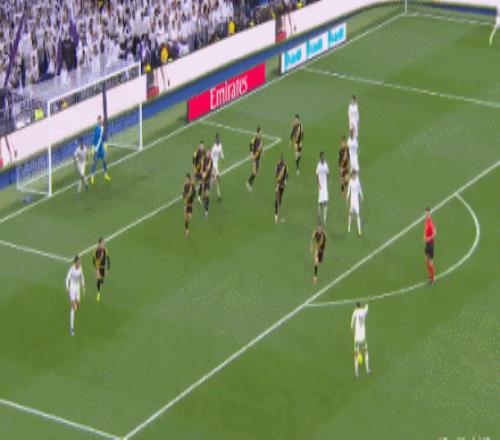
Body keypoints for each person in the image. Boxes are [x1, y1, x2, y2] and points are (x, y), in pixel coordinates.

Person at [65, 255, 85, 336]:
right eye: (78, 261)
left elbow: (82, 277)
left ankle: (73, 311)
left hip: (78, 288)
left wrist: (83, 287)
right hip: (72, 289)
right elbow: (67, 278)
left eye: (80, 261)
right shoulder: (71, 269)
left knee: (78, 306)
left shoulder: (80, 268)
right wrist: (67, 287)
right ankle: (72, 328)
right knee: (73, 308)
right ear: (75, 262)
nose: (79, 262)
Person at [351, 302, 371, 378]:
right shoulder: (363, 311)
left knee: (356, 354)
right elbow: (367, 307)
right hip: (363, 337)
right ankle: (367, 369)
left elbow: (351, 326)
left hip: (357, 338)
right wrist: (366, 304)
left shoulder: (355, 312)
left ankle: (356, 373)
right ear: (360, 306)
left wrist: (354, 333)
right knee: (366, 352)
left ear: (356, 306)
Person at [90, 115, 111, 184]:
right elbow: (93, 139)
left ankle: (105, 174)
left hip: (101, 148)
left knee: (104, 160)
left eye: (102, 120)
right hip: (96, 149)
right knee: (95, 163)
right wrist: (92, 149)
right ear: (98, 121)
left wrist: (105, 146)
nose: (102, 121)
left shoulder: (103, 128)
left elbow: (103, 138)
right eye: (101, 120)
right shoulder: (96, 129)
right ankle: (92, 176)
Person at [93, 238, 111, 303]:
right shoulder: (96, 251)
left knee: (102, 279)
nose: (104, 245)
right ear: (99, 244)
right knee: (98, 279)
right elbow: (94, 261)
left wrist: (107, 269)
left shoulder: (105, 250)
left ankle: (101, 280)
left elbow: (108, 259)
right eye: (103, 243)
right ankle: (98, 293)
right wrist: (96, 269)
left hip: (103, 267)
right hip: (98, 267)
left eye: (104, 243)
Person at [346, 170, 363, 236]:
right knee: (350, 214)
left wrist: (361, 195)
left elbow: (359, 189)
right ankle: (349, 227)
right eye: (353, 175)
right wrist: (347, 197)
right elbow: (348, 190)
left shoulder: (357, 181)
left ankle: (359, 230)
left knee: (357, 215)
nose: (354, 176)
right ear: (352, 175)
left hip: (356, 202)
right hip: (352, 201)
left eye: (355, 175)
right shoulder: (350, 181)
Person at [246, 127, 263, 191]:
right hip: (254, 157)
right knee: (254, 172)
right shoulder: (255, 138)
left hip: (258, 158)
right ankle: (248, 183)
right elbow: (251, 145)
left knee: (255, 173)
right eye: (260, 132)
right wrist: (251, 153)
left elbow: (260, 147)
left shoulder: (260, 139)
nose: (261, 133)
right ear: (258, 132)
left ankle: (250, 183)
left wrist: (262, 153)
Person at [316, 151, 329, 225]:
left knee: (326, 201)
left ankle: (324, 218)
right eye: (322, 156)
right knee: (320, 202)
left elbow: (327, 173)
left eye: (323, 156)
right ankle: (318, 214)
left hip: (325, 185)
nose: (323, 157)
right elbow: (317, 175)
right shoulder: (318, 165)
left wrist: (328, 181)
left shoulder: (326, 164)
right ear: (320, 157)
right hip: (320, 185)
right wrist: (318, 184)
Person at [424, 207, 436, 285]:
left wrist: (429, 238)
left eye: (427, 214)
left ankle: (433, 279)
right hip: (427, 244)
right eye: (426, 214)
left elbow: (434, 233)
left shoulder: (431, 223)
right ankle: (429, 275)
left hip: (430, 245)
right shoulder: (426, 221)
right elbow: (426, 230)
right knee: (426, 259)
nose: (426, 215)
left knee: (430, 262)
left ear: (430, 214)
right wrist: (424, 236)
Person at [274, 153, 288, 224]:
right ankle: (276, 216)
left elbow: (287, 175)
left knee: (280, 199)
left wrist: (285, 181)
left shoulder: (284, 166)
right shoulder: (279, 166)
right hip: (279, 184)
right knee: (277, 199)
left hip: (282, 185)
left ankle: (277, 216)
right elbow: (276, 175)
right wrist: (277, 184)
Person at [211, 133, 224, 201]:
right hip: (213, 165)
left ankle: (209, 185)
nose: (218, 139)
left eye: (219, 138)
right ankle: (219, 195)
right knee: (216, 179)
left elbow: (221, 152)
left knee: (216, 179)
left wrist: (222, 158)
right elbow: (210, 157)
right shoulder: (214, 148)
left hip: (216, 165)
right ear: (215, 139)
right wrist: (212, 167)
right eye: (217, 138)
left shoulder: (220, 145)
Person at [201, 148, 213, 218]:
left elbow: (211, 170)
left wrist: (211, 179)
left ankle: (206, 211)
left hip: (208, 180)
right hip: (203, 180)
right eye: (207, 152)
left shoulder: (211, 161)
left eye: (209, 153)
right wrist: (203, 174)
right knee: (204, 194)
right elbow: (201, 170)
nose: (208, 154)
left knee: (207, 195)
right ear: (206, 153)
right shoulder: (203, 160)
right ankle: (204, 199)